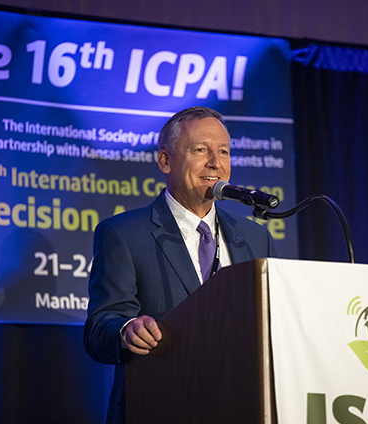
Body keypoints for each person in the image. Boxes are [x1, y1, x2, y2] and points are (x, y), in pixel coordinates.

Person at [83, 106, 276, 424]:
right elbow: (99, 327)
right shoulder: (123, 233)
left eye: (223, 151)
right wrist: (125, 330)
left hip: (244, 407)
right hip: (159, 405)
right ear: (165, 160)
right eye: (201, 150)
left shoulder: (255, 238)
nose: (215, 162)